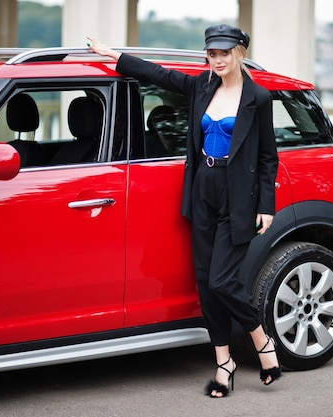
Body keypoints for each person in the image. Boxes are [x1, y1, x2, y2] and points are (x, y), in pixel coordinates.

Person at [87, 24, 281, 398]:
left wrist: (266, 205)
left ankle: (261, 340)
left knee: (222, 280)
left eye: (225, 52)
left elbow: (268, 156)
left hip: (238, 194)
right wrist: (112, 55)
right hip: (202, 189)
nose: (218, 59)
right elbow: (158, 74)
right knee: (206, 281)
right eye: (212, 53)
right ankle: (224, 363)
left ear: (240, 52)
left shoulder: (259, 97)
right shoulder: (201, 86)